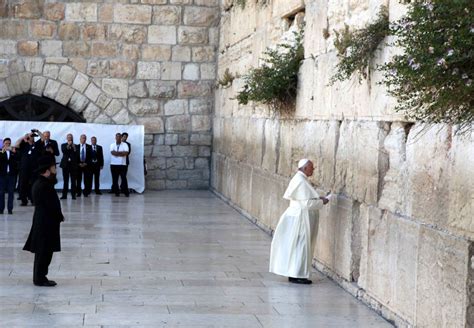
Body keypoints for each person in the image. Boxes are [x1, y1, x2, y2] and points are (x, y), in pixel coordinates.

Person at [269, 159, 330, 285]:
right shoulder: (301, 181)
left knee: (297, 246)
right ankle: (299, 275)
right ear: (305, 168)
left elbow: (306, 198)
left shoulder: (300, 179)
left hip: (298, 217)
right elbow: (306, 203)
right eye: (312, 167)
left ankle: (294, 273)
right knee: (301, 246)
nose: (313, 170)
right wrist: (322, 202)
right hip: (301, 219)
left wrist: (318, 199)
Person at [23, 156, 64, 287]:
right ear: (46, 171)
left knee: (44, 250)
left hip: (45, 221)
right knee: (44, 251)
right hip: (45, 223)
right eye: (53, 168)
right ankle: (40, 278)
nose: (55, 171)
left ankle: (40, 276)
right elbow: (50, 206)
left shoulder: (42, 183)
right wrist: (58, 215)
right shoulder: (43, 185)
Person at [14, 131, 40, 206]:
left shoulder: (36, 145)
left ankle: (33, 200)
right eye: (30, 136)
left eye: (32, 136)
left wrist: (36, 132)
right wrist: (24, 137)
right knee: (23, 184)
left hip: (34, 168)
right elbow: (16, 145)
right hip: (24, 168)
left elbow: (43, 139)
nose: (31, 137)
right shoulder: (23, 145)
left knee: (33, 184)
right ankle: (23, 200)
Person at [0, 138, 18, 214]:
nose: (7, 145)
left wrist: (14, 153)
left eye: (9, 143)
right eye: (6, 143)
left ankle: (10, 209)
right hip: (2, 175)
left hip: (11, 175)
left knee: (11, 192)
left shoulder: (13, 152)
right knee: (1, 192)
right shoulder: (0, 152)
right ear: (3, 144)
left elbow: (17, 161)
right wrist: (2, 152)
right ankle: (1, 209)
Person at [110, 133, 129, 197]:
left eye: (119, 137)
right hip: (113, 164)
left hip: (122, 165)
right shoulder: (112, 145)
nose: (118, 138)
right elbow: (112, 152)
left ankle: (126, 192)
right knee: (115, 179)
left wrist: (117, 153)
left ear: (121, 138)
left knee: (124, 178)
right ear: (115, 138)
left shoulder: (125, 144)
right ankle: (116, 192)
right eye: (117, 137)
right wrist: (121, 153)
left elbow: (126, 153)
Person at [60, 134, 78, 200]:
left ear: (72, 138)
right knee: (65, 181)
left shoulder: (75, 145)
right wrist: (68, 145)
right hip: (65, 165)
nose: (69, 138)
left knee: (73, 181)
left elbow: (77, 154)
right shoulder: (63, 145)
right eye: (68, 137)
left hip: (73, 165)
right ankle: (64, 195)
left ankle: (73, 195)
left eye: (71, 137)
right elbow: (64, 151)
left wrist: (74, 148)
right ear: (67, 138)